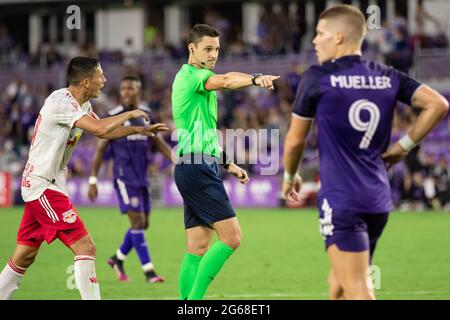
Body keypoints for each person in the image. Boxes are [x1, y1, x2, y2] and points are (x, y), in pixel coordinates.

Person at [281, 5, 448, 300]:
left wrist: (290, 175)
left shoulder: (317, 77)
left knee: (358, 288)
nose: (314, 41)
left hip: (342, 199)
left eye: (320, 34)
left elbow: (295, 142)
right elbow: (438, 104)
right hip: (377, 199)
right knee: (340, 280)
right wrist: (403, 147)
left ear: (340, 37)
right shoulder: (388, 76)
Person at [0, 57, 168, 300]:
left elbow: (104, 131)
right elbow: (100, 130)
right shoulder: (61, 102)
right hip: (42, 185)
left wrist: (138, 130)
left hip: (48, 185)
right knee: (85, 247)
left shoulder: (82, 106)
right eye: (101, 76)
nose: (105, 81)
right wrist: (130, 112)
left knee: (24, 255)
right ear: (87, 81)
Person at [171, 24, 280, 300]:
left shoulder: (198, 83)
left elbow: (205, 134)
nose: (213, 54)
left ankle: (186, 303)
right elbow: (228, 81)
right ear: (191, 49)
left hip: (192, 166)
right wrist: (255, 79)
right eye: (207, 48)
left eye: (217, 49)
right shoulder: (192, 76)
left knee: (197, 247)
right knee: (232, 238)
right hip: (196, 169)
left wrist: (228, 163)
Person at [88, 75, 172, 283]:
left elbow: (159, 142)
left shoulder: (147, 114)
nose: (126, 92)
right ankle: (149, 271)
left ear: (139, 90)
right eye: (124, 89)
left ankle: (117, 258)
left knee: (144, 224)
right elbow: (100, 150)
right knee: (137, 221)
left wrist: (178, 161)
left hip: (142, 177)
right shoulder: (113, 116)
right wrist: (92, 180)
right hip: (124, 178)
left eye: (131, 89)